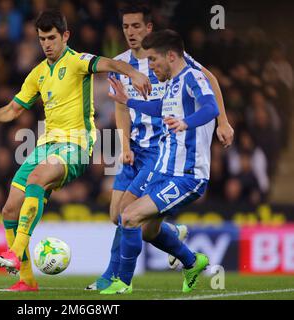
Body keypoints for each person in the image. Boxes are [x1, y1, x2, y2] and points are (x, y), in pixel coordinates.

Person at [0, 9, 151, 292]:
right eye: (42, 39)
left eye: (52, 37)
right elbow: (14, 109)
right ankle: (27, 279)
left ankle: (15, 252)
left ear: (65, 36)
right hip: (45, 145)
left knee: (37, 178)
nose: (47, 44)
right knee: (9, 208)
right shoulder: (38, 73)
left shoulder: (77, 62)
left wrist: (134, 72)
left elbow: (109, 64)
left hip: (76, 145)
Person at [86, 3, 234, 291]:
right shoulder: (121, 63)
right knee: (121, 216)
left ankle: (113, 278)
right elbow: (129, 108)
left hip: (163, 152)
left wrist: (221, 122)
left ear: (149, 28)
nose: (130, 32)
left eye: (136, 26)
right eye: (126, 27)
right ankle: (185, 253)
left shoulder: (177, 63)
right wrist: (124, 142)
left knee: (128, 215)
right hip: (137, 150)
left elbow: (209, 86)